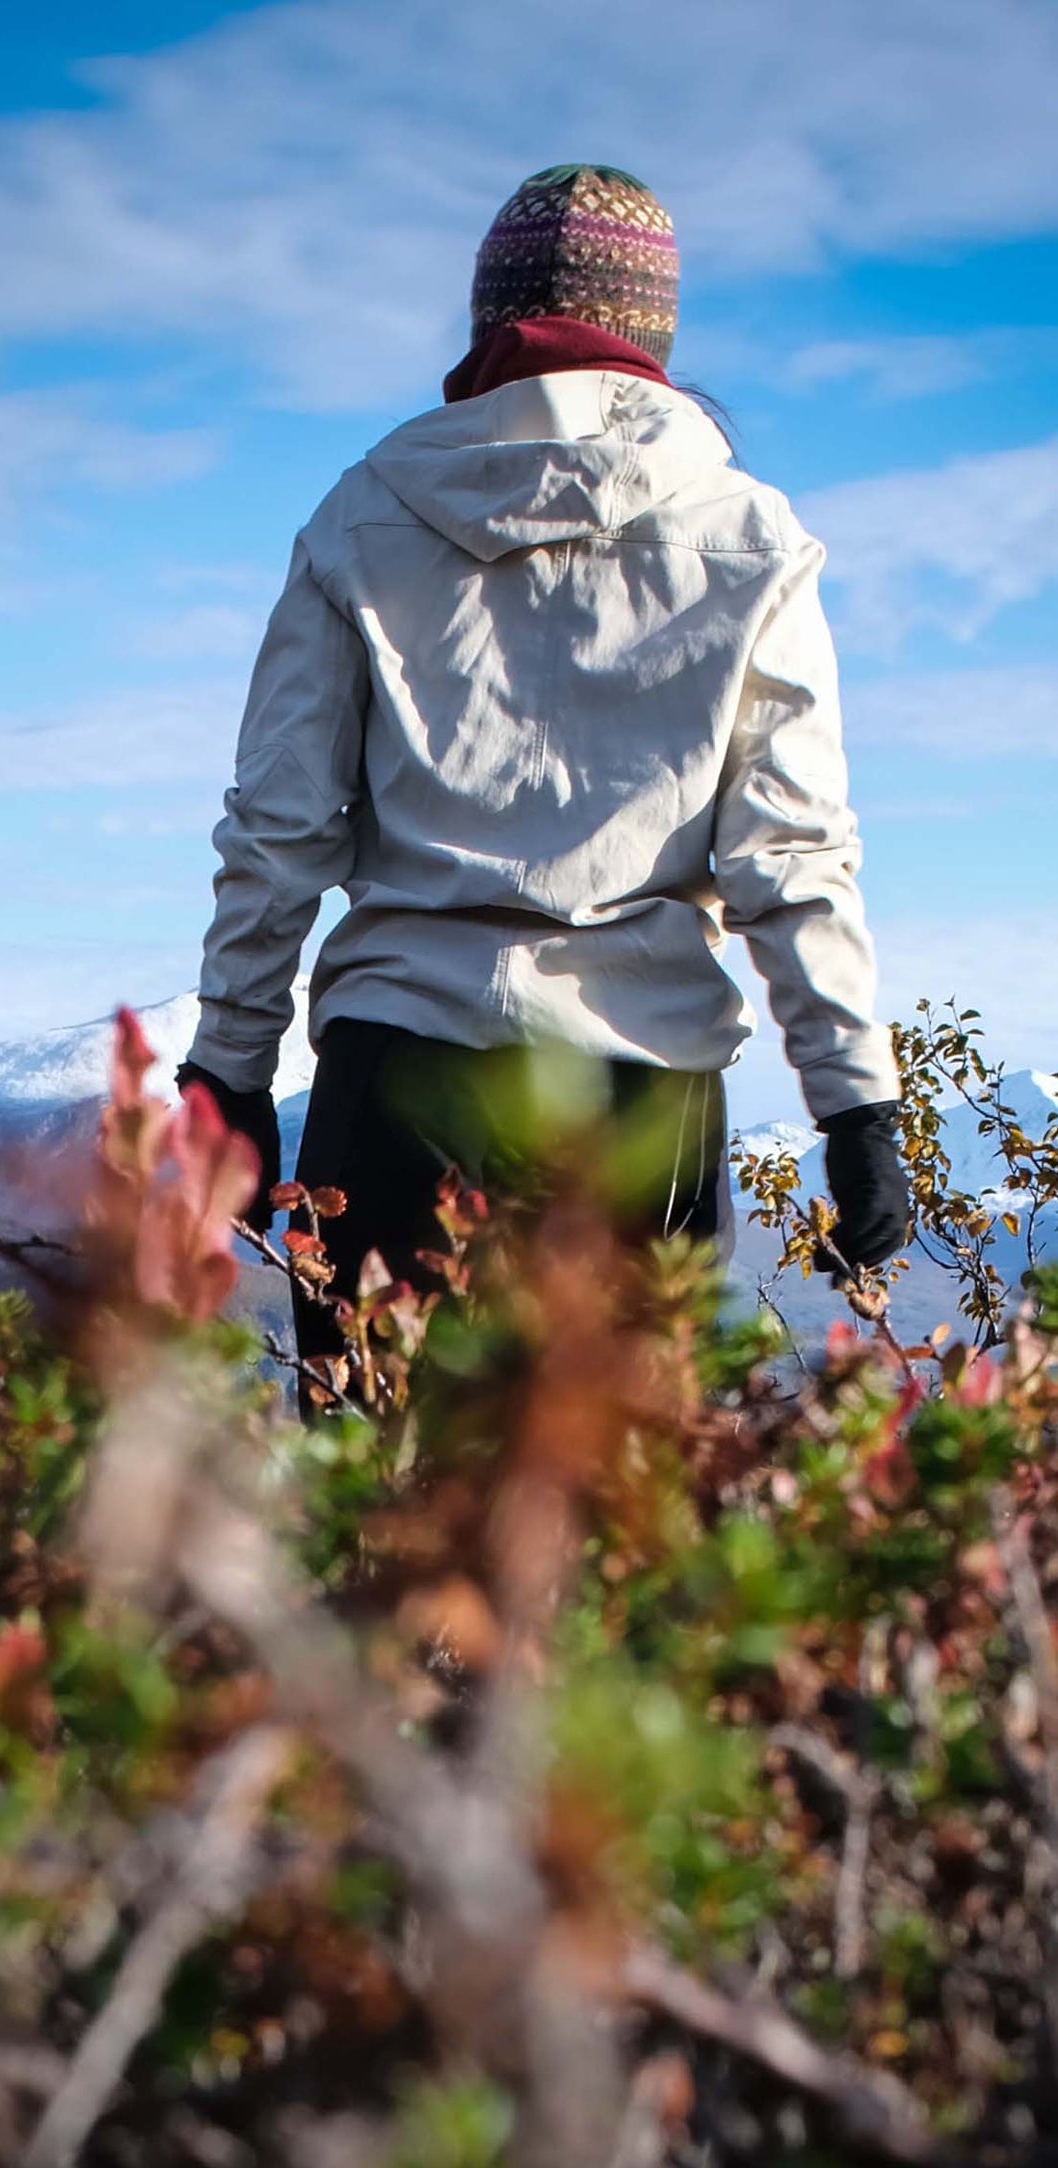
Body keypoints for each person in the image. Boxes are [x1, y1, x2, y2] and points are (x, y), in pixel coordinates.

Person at [175, 163, 908, 1367]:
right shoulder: (751, 537)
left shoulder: (362, 515)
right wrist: (853, 1103)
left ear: (488, 319)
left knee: (381, 1506)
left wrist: (230, 1069)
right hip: (638, 1094)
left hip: (394, 1076)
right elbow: (790, 851)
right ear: (649, 332)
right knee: (606, 1519)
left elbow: (278, 826)